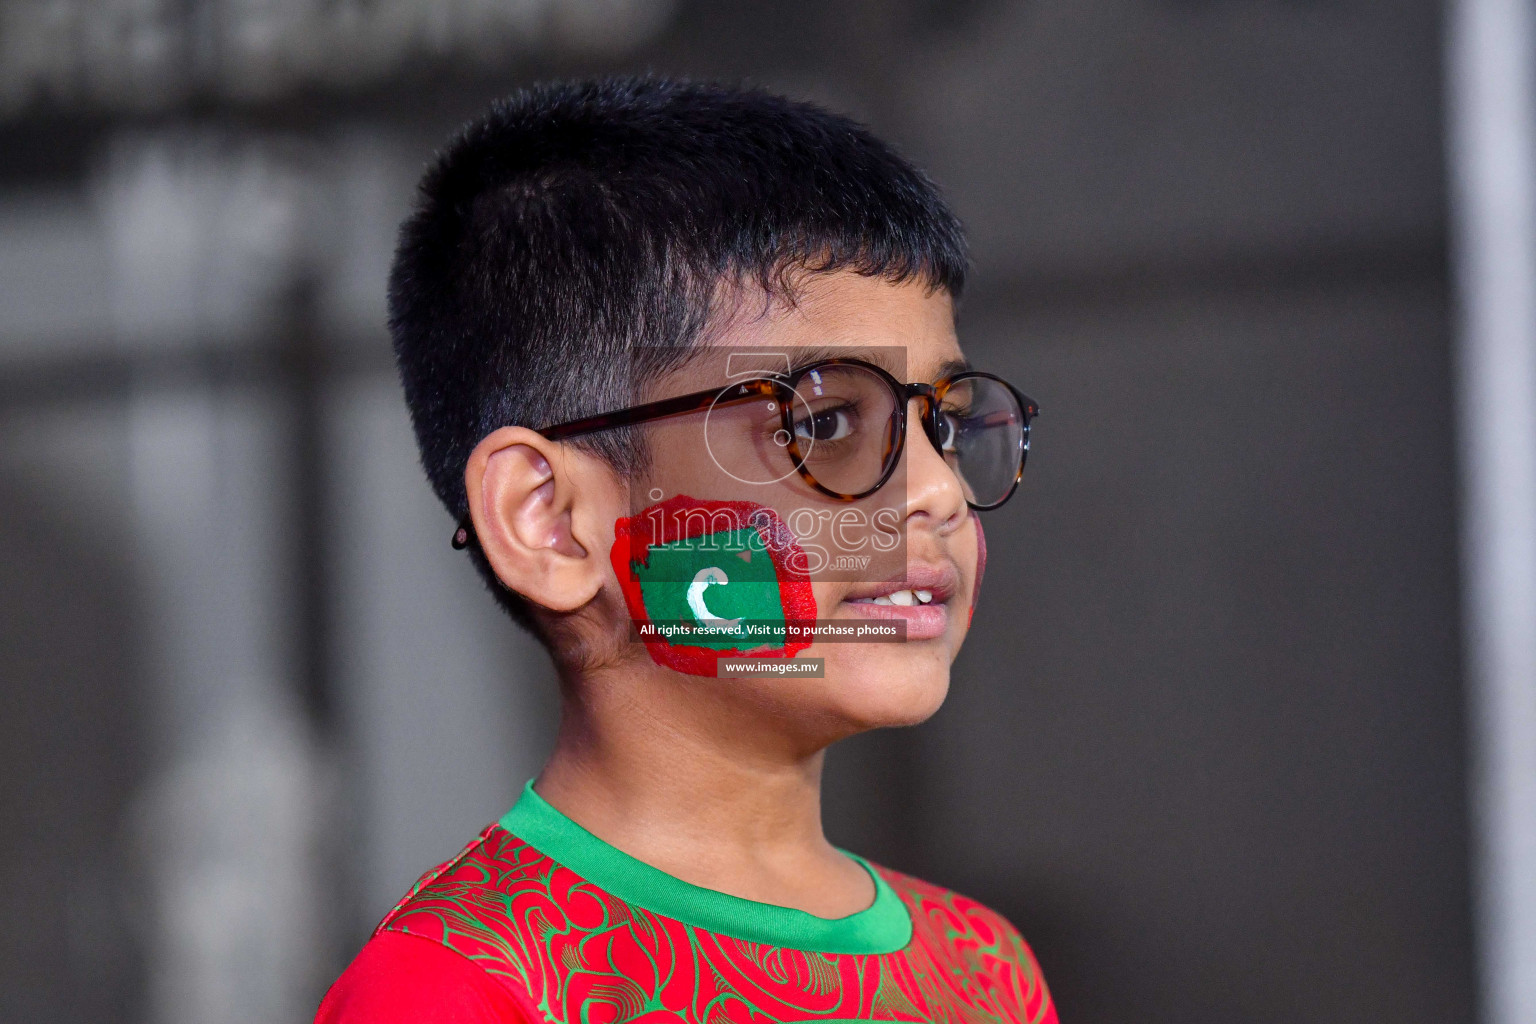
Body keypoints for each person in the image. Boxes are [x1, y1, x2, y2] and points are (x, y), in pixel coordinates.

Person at [316, 76, 1055, 1024]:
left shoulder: (982, 970)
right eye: (825, 422)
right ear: (549, 520)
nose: (940, 494)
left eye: (942, 427)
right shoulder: (462, 988)